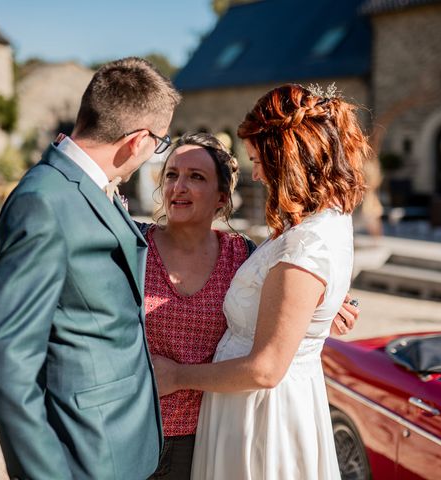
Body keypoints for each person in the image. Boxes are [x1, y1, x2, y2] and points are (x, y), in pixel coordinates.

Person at [0, 57, 181, 480]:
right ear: (137, 141)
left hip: (119, 442)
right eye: (159, 144)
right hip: (83, 451)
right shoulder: (43, 201)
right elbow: (5, 357)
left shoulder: (91, 186)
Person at [153, 83, 370, 479]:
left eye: (257, 159)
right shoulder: (310, 229)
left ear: (284, 157)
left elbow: (266, 369)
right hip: (244, 410)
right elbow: (284, 288)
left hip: (263, 417)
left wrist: (177, 376)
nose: (253, 172)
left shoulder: (307, 244)